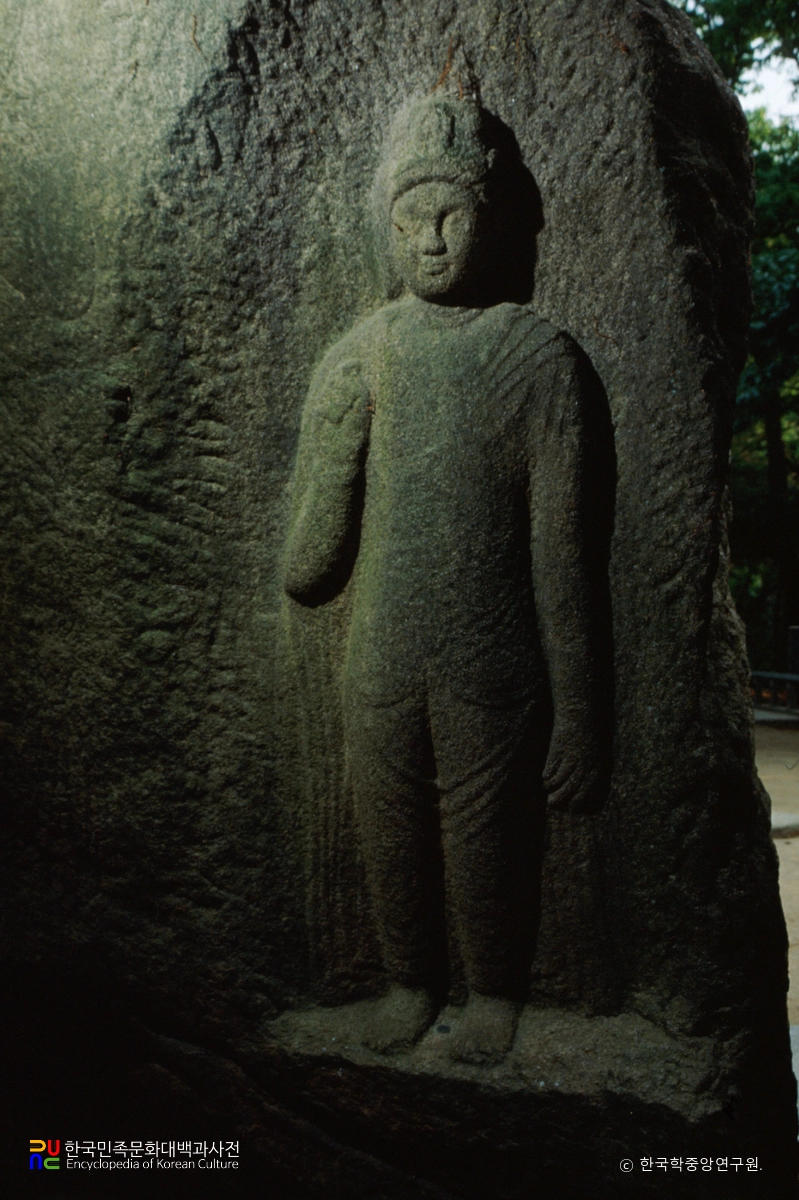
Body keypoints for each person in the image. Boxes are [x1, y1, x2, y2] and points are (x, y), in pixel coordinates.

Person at [284, 94, 607, 1064]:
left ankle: (496, 989)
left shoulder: (535, 357)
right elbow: (306, 569)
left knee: (482, 834)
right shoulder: (364, 352)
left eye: (450, 215)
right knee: (389, 827)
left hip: (494, 651)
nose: (427, 241)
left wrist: (583, 707)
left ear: (492, 219)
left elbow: (563, 552)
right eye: (406, 221)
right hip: (381, 642)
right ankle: (409, 981)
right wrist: (333, 443)